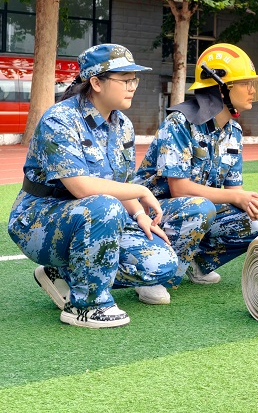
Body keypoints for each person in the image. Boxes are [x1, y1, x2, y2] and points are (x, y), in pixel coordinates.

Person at [8, 44, 176, 328]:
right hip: (40, 218)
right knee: (104, 205)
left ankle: (64, 274)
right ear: (96, 83)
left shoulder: (122, 125)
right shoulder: (60, 119)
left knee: (162, 264)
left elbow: (117, 183)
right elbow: (81, 188)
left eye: (134, 80)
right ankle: (86, 306)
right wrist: (142, 191)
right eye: (125, 80)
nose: (132, 87)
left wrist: (139, 214)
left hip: (96, 216)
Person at [133, 44, 258, 303]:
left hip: (193, 210)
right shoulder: (179, 123)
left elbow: (233, 192)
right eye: (245, 83)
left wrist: (250, 200)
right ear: (221, 88)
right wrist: (237, 198)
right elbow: (180, 189)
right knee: (200, 208)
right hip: (152, 212)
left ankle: (198, 263)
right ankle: (153, 274)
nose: (252, 90)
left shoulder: (233, 131)